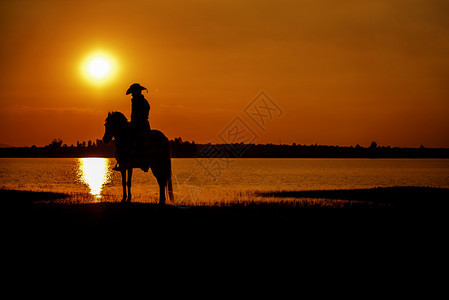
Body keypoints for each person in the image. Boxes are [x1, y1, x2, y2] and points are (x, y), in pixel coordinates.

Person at [113, 83, 151, 171]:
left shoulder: (136, 101)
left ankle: (124, 161)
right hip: (145, 124)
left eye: (133, 92)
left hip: (138, 125)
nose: (132, 94)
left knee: (125, 139)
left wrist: (133, 123)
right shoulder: (144, 101)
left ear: (137, 92)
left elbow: (135, 115)